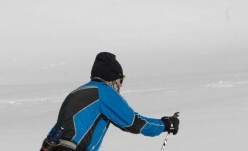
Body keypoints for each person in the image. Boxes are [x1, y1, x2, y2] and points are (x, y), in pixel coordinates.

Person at [40, 52, 180, 151]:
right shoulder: (104, 92)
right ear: (112, 77)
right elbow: (132, 123)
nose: (120, 86)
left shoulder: (77, 92)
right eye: (120, 80)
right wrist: (165, 125)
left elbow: (58, 128)